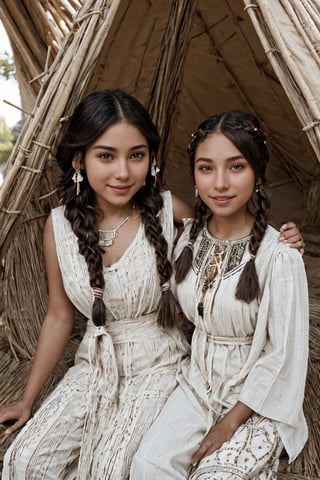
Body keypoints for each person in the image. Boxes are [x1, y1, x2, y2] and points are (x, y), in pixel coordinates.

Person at [0, 92, 303, 480]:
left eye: (137, 155)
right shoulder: (57, 226)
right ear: (80, 160)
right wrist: (28, 399)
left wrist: (283, 242)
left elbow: (228, 230)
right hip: (94, 364)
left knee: (114, 469)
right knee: (24, 462)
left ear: (152, 159)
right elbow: (58, 316)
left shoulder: (168, 212)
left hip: (160, 362)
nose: (123, 173)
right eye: (106, 156)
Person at [131, 110, 309, 479]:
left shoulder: (279, 256)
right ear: (194, 175)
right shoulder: (188, 236)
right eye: (206, 168)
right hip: (196, 385)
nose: (221, 183)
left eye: (236, 167)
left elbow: (282, 357)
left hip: (257, 401)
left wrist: (228, 424)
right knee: (147, 467)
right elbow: (129, 200)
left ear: (257, 173)